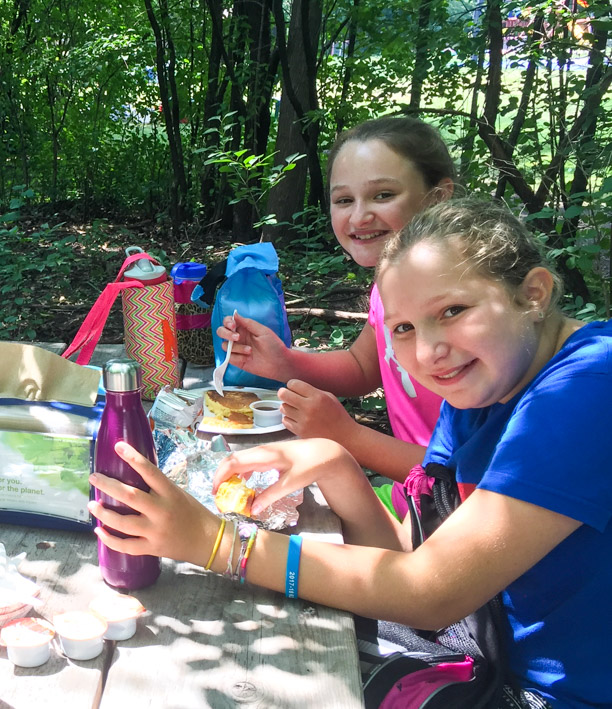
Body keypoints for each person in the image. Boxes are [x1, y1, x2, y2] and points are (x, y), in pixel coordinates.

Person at [91, 198, 610, 708]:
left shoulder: (586, 390)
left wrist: (220, 545)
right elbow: (412, 553)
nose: (427, 352)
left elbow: (431, 594)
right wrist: (337, 465)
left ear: (534, 293)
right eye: (403, 329)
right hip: (482, 648)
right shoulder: (485, 382)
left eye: (453, 311)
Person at [216, 117, 455, 508]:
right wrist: (283, 361)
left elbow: (473, 478)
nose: (359, 217)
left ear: (437, 198)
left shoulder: (463, 315)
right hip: (408, 500)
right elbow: (363, 367)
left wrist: (349, 437)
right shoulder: (388, 288)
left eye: (382, 195)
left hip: (448, 522)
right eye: (344, 200)